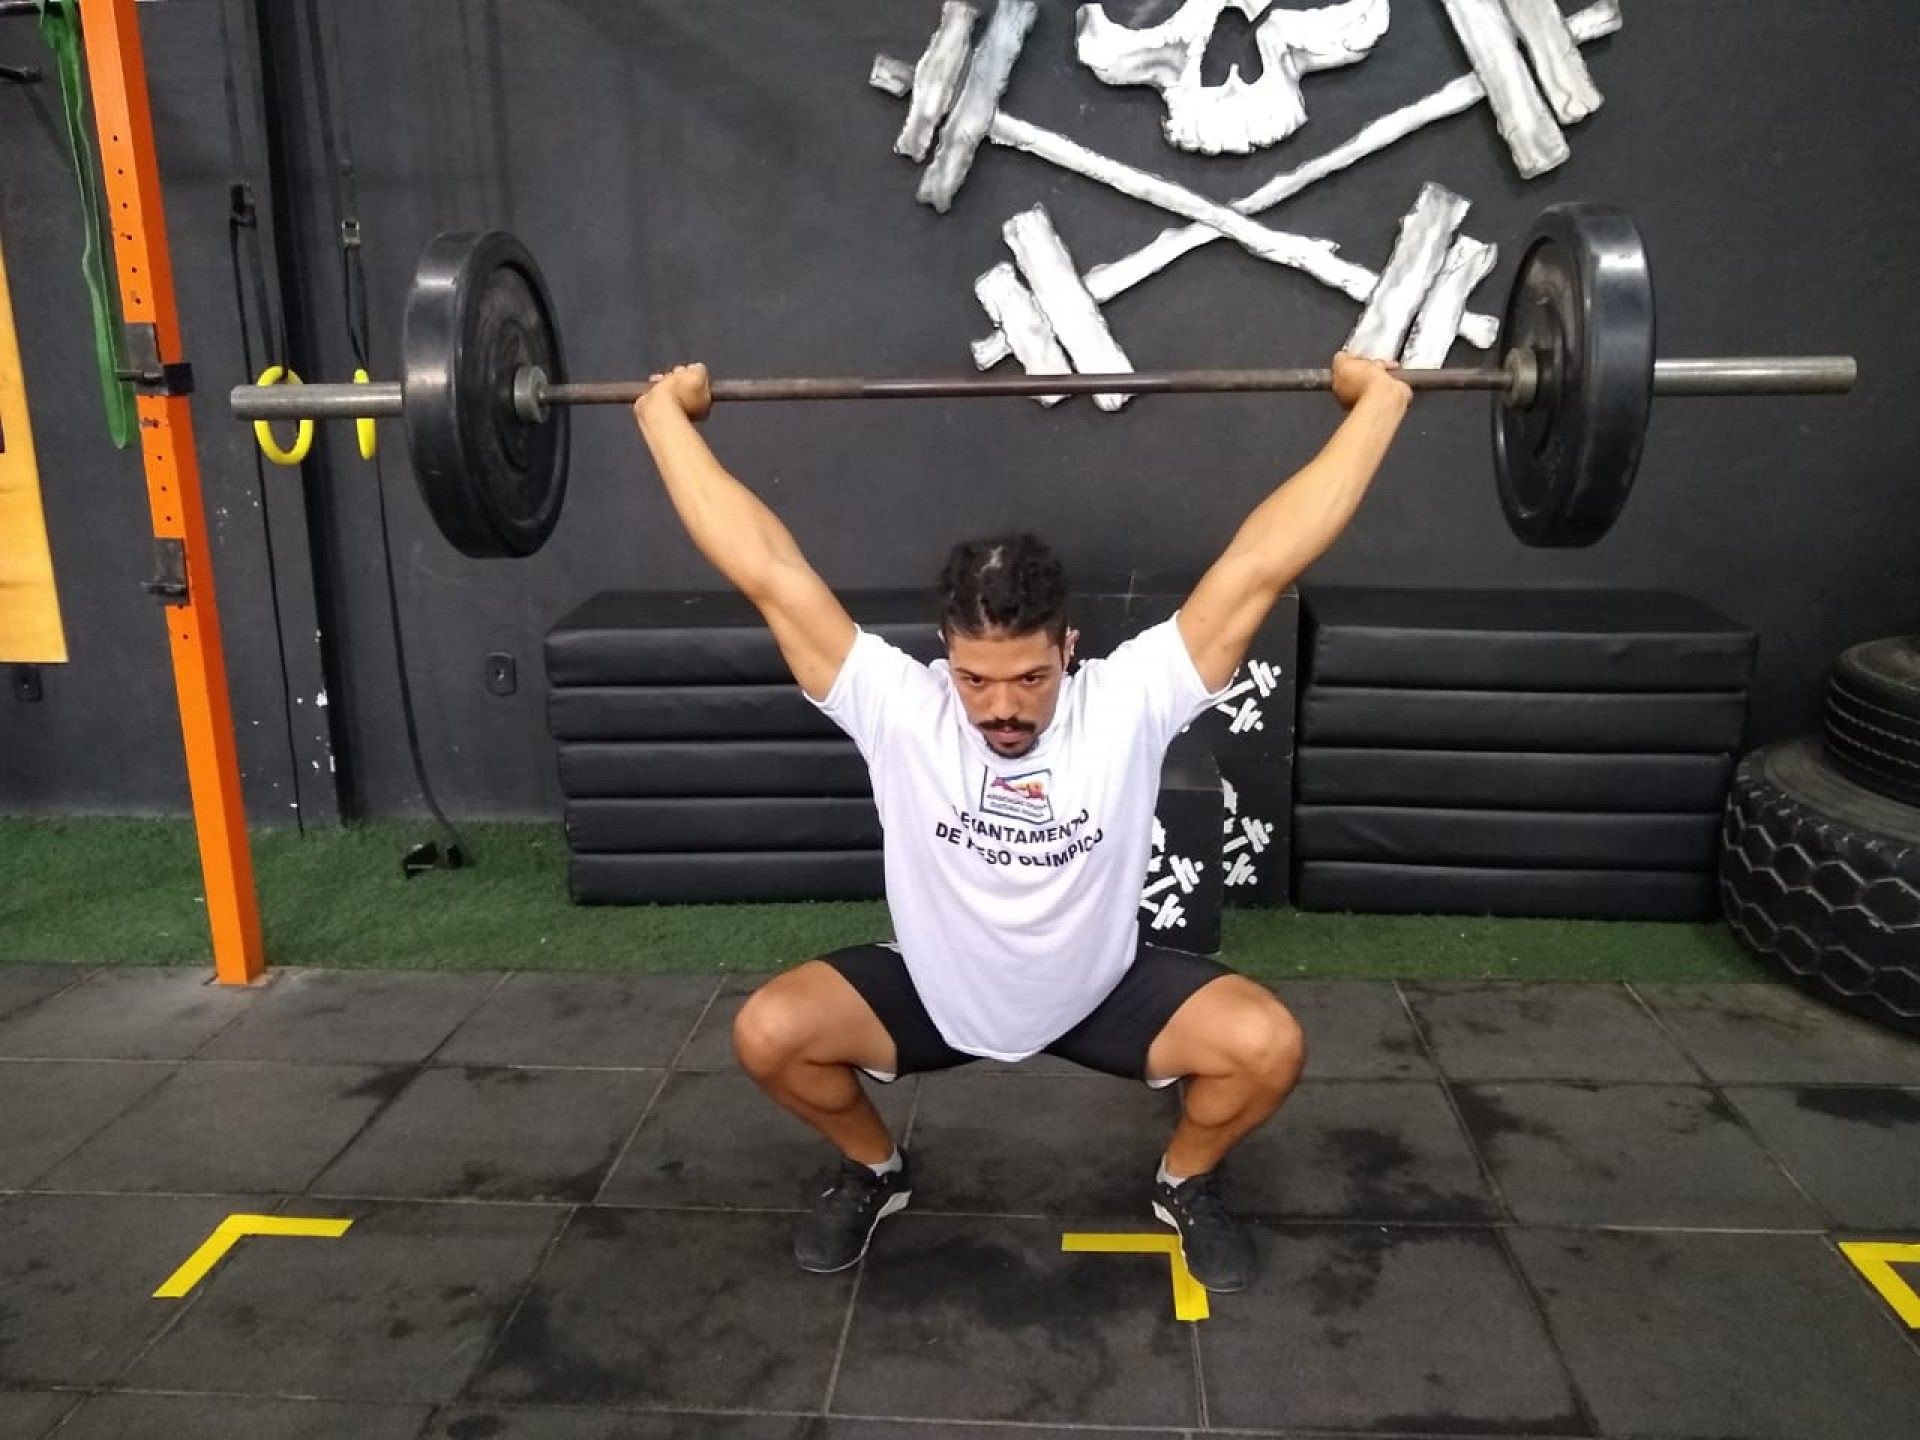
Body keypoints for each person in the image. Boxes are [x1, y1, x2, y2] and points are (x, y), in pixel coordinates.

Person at [633, 354, 1412, 1292]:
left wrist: (1380, 403)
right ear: (943, 655)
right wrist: (662, 416)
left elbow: (1261, 562)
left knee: (1267, 1048)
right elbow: (766, 568)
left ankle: (1186, 1181)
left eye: (1030, 678)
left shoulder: (1129, 698)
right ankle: (875, 1170)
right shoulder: (893, 702)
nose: (1001, 706)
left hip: (1099, 993)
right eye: (975, 679)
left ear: (1069, 649)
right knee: (769, 1033)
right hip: (937, 992)